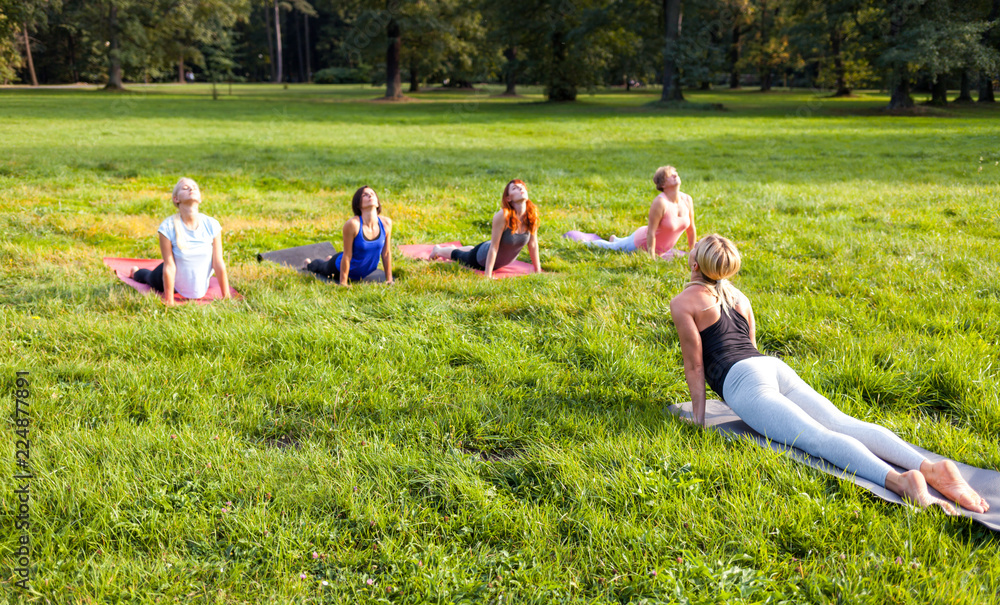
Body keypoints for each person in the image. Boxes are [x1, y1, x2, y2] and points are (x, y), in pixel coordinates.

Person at [669, 234, 990, 515]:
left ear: (695, 265)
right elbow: (750, 346)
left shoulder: (683, 302)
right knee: (843, 423)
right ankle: (930, 467)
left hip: (743, 380)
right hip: (771, 366)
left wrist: (699, 420)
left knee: (816, 439)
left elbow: (695, 365)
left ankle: (900, 481)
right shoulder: (739, 297)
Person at [130, 178, 231, 305]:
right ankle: (135, 272)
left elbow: (218, 262)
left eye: (195, 187)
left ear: (200, 198)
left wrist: (226, 297)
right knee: (148, 277)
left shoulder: (212, 225)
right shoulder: (167, 227)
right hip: (170, 275)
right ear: (176, 199)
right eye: (185, 188)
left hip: (195, 277)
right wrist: (169, 301)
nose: (191, 188)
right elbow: (169, 265)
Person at [430, 179, 542, 279]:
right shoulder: (503, 215)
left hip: (495, 256)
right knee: (460, 255)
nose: (520, 189)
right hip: (481, 258)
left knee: (472, 249)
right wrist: (488, 275)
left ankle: (465, 249)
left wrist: (538, 271)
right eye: (514, 188)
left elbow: (533, 244)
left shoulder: (532, 214)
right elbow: (494, 247)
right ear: (508, 198)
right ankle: (438, 250)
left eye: (522, 187)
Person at [585, 165, 695, 259]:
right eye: (670, 175)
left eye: (675, 173)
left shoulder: (687, 199)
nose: (675, 175)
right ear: (663, 185)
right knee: (612, 248)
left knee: (621, 243)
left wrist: (693, 254)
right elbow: (651, 232)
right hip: (641, 243)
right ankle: (585, 243)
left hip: (656, 245)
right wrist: (651, 258)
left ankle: (616, 239)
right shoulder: (660, 203)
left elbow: (691, 229)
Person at [304, 186, 393, 286]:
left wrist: (389, 279)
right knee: (322, 267)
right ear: (358, 204)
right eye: (365, 195)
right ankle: (308, 264)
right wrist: (343, 283)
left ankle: (329, 259)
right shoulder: (353, 224)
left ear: (377, 203)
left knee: (333, 260)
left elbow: (386, 253)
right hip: (339, 269)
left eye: (372, 194)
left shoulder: (386, 223)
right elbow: (347, 255)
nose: (370, 195)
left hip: (363, 271)